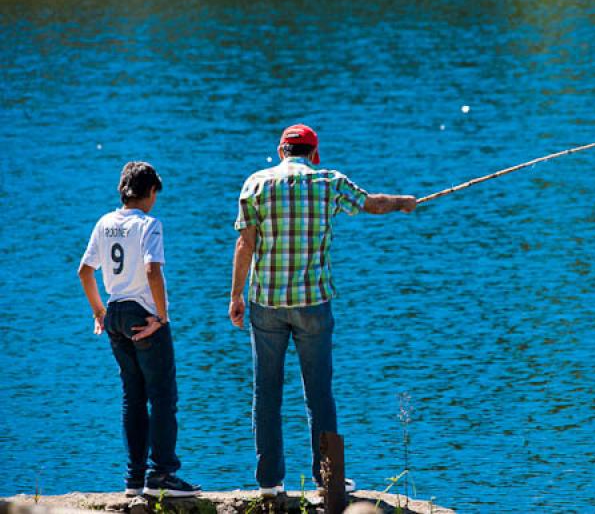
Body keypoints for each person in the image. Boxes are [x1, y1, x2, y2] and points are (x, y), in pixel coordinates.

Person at [229, 124, 416, 496]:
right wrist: (403, 203)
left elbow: (244, 245)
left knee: (266, 392)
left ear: (281, 151)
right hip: (313, 302)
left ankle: (269, 483)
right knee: (319, 393)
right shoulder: (330, 181)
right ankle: (328, 480)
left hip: (265, 303)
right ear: (314, 153)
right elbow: (373, 204)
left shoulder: (256, 184)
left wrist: (235, 297)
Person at [78, 162, 200, 498]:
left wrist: (99, 312)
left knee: (133, 398)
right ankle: (162, 474)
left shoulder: (105, 223)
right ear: (150, 192)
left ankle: (134, 480)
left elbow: (85, 273)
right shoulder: (149, 224)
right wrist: (161, 318)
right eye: (155, 194)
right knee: (163, 398)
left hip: (115, 311)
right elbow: (151, 271)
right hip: (143, 315)